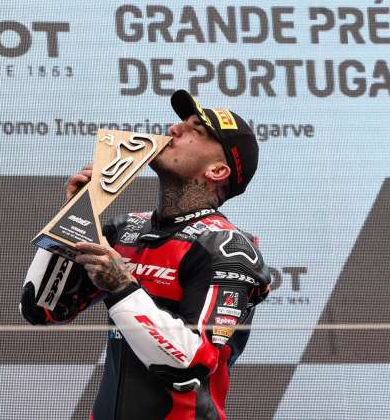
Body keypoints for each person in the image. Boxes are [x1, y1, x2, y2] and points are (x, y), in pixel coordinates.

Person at [20, 90, 271, 420]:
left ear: (218, 171)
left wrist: (122, 287)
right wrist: (74, 215)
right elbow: (40, 308)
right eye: (180, 123)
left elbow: (192, 365)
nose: (173, 130)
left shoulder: (227, 248)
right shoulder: (127, 230)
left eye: (195, 130)